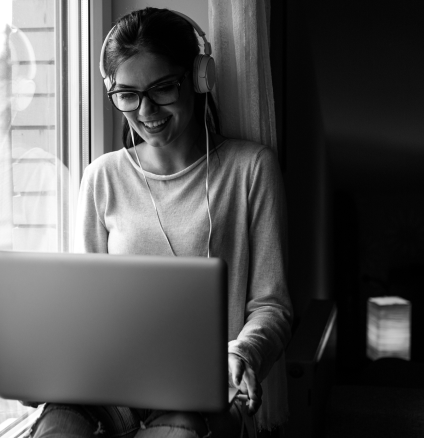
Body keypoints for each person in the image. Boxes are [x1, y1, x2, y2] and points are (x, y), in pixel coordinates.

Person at [28, 7, 292, 438]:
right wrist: (56, 364)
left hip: (203, 391)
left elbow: (272, 305)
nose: (145, 109)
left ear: (200, 77)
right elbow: (87, 309)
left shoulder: (251, 169)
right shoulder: (102, 176)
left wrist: (243, 353)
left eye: (162, 88)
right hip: (111, 383)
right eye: (127, 95)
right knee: (57, 426)